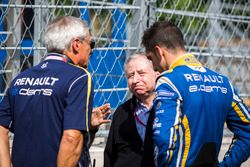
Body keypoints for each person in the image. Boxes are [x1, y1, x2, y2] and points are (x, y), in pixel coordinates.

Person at [0, 16, 110, 167]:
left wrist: (87, 126)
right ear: (76, 44)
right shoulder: (79, 77)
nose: (91, 50)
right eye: (91, 43)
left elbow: (1, 129)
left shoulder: (20, 79)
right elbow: (71, 138)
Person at [141, 20, 250, 167]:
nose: (153, 67)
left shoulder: (169, 81)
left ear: (159, 52)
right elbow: (247, 132)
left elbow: (164, 139)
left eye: (150, 58)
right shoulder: (224, 82)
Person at [104, 53, 158, 167]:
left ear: (156, 74)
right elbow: (110, 154)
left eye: (141, 73)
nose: (135, 80)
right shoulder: (122, 112)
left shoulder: (169, 107)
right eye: (130, 76)